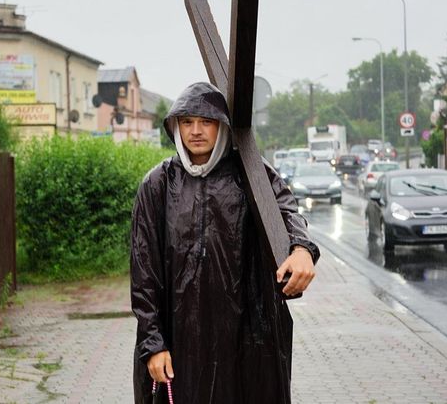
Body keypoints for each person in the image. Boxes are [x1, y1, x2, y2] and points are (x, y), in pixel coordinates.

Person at [131, 82, 319, 404]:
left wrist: (302, 250)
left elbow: (287, 212)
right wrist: (153, 343)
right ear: (176, 126)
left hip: (245, 335)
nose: (196, 131)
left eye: (207, 121)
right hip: (179, 338)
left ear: (223, 126)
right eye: (187, 122)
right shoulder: (159, 184)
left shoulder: (252, 175)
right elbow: (144, 270)